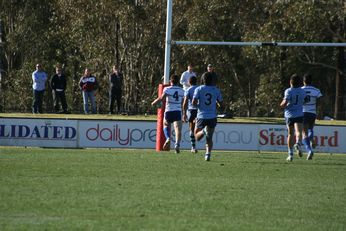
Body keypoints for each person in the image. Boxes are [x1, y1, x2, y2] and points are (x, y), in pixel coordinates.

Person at [193, 72, 223, 161]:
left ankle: (203, 131)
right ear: (212, 80)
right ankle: (208, 154)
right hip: (212, 116)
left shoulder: (199, 89)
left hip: (201, 115)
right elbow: (222, 103)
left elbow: (194, 102)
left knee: (197, 137)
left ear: (202, 80)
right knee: (209, 137)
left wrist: (198, 106)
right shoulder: (216, 90)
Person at [151, 74, 185, 153]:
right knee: (178, 129)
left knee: (165, 125)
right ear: (178, 82)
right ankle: (177, 145)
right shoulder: (182, 91)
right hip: (177, 111)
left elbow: (161, 98)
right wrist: (184, 112)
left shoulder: (167, 89)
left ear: (170, 81)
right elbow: (183, 102)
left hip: (169, 111)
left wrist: (154, 103)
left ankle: (168, 138)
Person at [280, 74, 306, 162]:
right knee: (299, 132)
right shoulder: (302, 91)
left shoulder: (288, 91)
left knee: (291, 134)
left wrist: (281, 105)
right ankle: (298, 143)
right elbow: (305, 100)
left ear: (291, 82)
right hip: (299, 114)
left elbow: (284, 103)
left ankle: (290, 155)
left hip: (289, 115)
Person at [301, 74, 322, 160]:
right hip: (312, 113)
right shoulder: (316, 90)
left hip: (303, 113)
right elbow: (321, 100)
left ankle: (309, 150)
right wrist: (320, 111)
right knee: (311, 129)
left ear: (303, 81)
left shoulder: (300, 90)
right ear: (311, 81)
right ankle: (312, 141)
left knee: (304, 133)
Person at [182, 76, 199, 153]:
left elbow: (185, 102)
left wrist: (184, 113)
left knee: (191, 129)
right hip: (200, 111)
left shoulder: (188, 90)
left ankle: (193, 147)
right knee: (200, 128)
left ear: (189, 82)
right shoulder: (200, 88)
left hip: (191, 110)